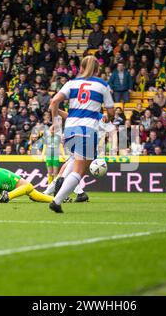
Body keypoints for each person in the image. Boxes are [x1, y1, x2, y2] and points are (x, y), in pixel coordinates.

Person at [48, 56, 114, 213]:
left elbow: (54, 102)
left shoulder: (71, 83)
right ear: (98, 70)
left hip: (69, 131)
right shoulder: (102, 85)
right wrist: (108, 117)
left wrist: (55, 123)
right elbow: (111, 112)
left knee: (72, 163)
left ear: (81, 68)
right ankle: (57, 200)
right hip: (87, 131)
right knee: (79, 171)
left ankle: (57, 189)